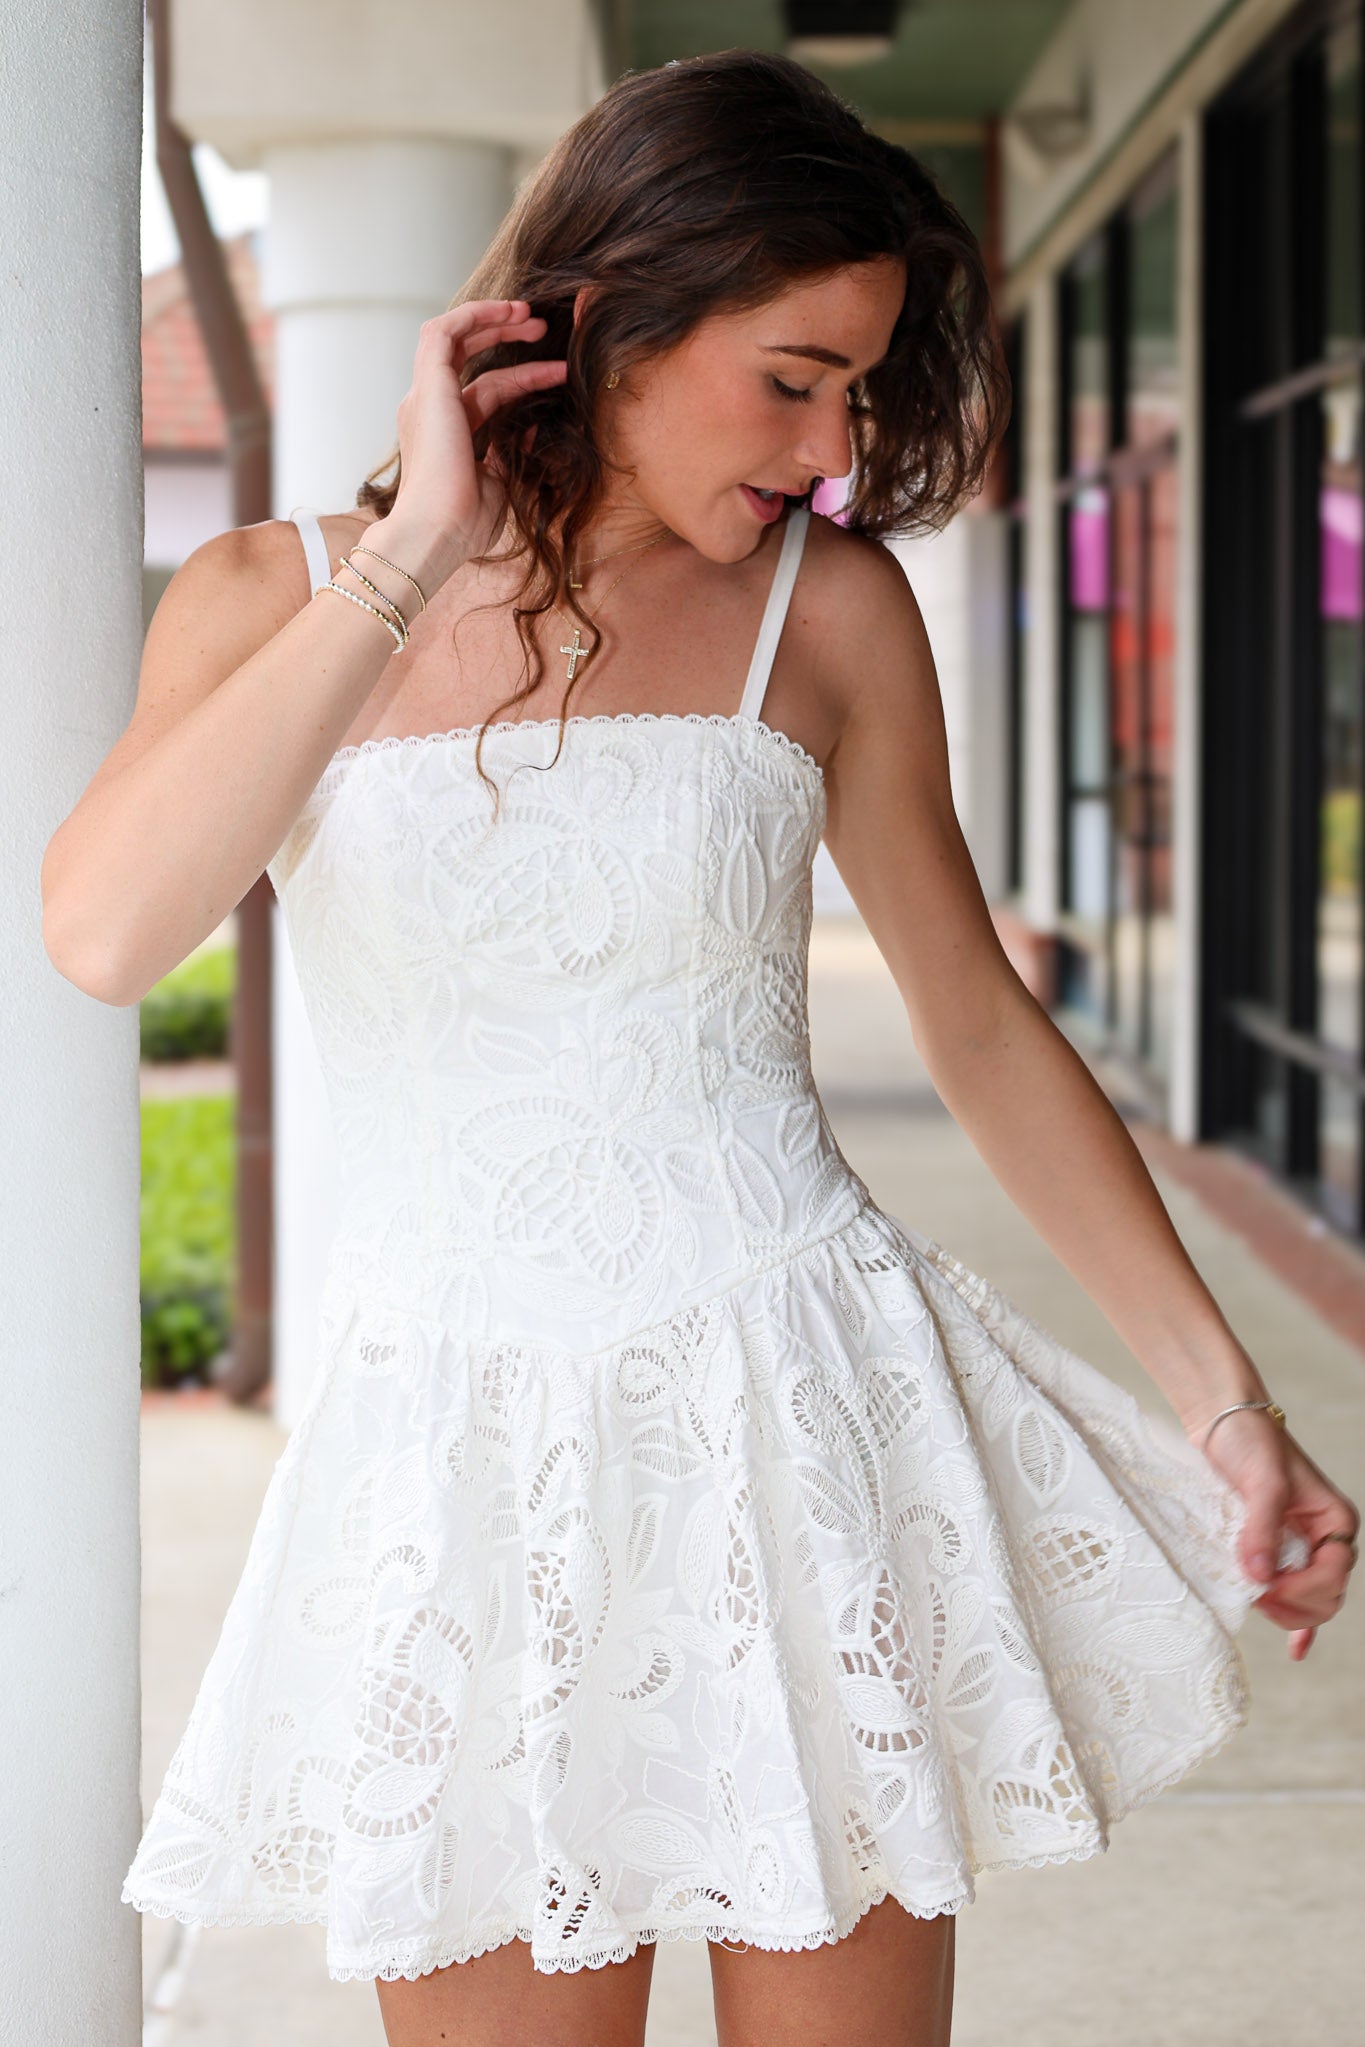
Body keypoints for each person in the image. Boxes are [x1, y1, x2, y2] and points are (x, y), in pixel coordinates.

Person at [45, 45, 1357, 2047]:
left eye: (858, 387)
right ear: (605, 321)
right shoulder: (269, 597)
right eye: (791, 375)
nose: (832, 449)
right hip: (454, 1474)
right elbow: (108, 928)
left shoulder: (822, 613)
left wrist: (1220, 1396)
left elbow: (976, 1018)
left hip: (798, 1446)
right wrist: (406, 562)